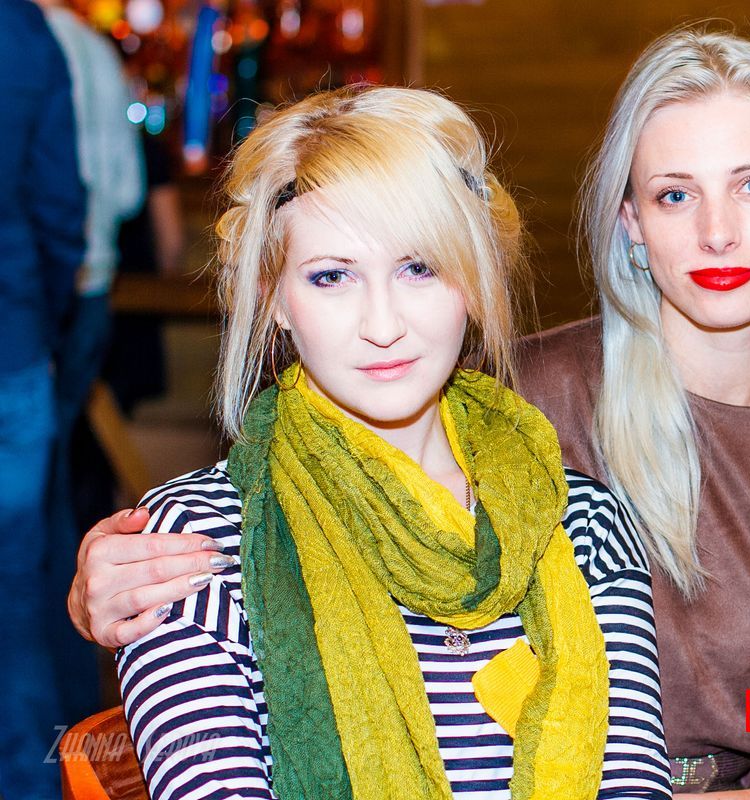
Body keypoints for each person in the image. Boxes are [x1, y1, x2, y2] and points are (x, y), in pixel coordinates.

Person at [69, 30, 750, 798]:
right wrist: (96, 593)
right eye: (674, 195)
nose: (718, 231)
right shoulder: (516, 398)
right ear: (629, 221)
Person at [107, 85, 671, 800]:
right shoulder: (192, 544)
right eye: (332, 276)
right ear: (275, 298)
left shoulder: (583, 526)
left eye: (419, 268)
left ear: (474, 279)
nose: (382, 325)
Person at [38, 0, 146, 726]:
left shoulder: (24, 43)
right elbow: (129, 191)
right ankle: (72, 707)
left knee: (36, 500)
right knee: (55, 484)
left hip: (43, 299)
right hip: (92, 292)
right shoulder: (97, 53)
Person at [0, 1, 86, 797]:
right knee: (16, 597)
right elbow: (61, 207)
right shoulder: (26, 33)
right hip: (12, 344)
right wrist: (44, 317)